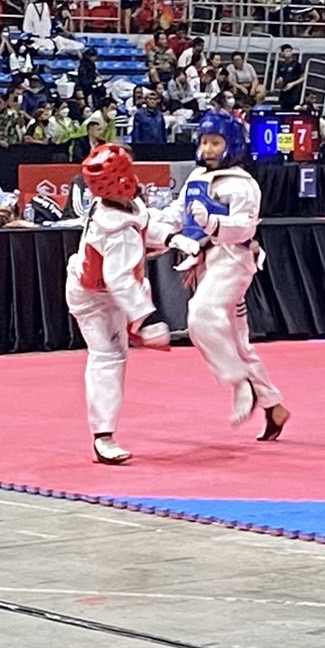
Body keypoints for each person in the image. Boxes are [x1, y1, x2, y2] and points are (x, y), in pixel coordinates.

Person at [160, 111, 289, 440]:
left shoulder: (243, 184)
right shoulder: (196, 177)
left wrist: (213, 223)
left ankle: (239, 381)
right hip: (205, 261)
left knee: (201, 314)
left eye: (215, 142)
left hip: (233, 260)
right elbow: (179, 213)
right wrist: (152, 219)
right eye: (204, 142)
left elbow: (245, 227)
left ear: (231, 144)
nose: (208, 149)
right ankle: (273, 405)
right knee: (236, 340)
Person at [64, 144, 172, 464]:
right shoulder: (114, 227)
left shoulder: (122, 205)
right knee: (108, 357)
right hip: (93, 299)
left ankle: (134, 325)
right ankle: (103, 437)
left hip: (108, 292)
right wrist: (147, 318)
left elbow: (144, 225)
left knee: (140, 287)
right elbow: (118, 279)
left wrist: (173, 238)